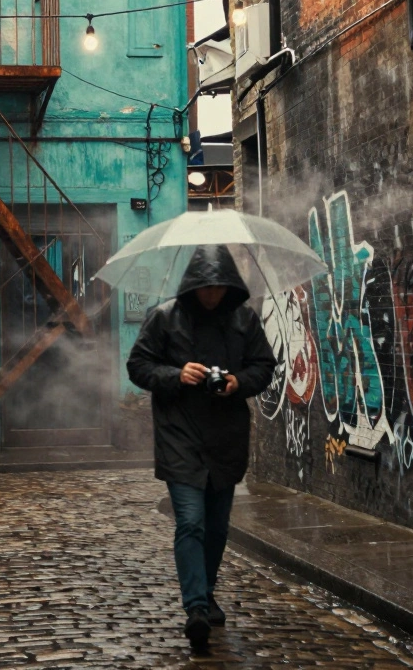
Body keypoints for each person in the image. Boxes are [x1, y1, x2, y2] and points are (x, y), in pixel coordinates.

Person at [126, 244, 277, 654]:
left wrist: (237, 383)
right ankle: (195, 607)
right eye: (206, 287)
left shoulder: (244, 319)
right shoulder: (164, 317)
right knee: (190, 521)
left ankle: (205, 593)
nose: (212, 295)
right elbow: (138, 366)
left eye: (219, 287)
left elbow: (264, 365)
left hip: (225, 438)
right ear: (193, 285)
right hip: (179, 436)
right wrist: (178, 374)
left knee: (218, 526)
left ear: (229, 286)